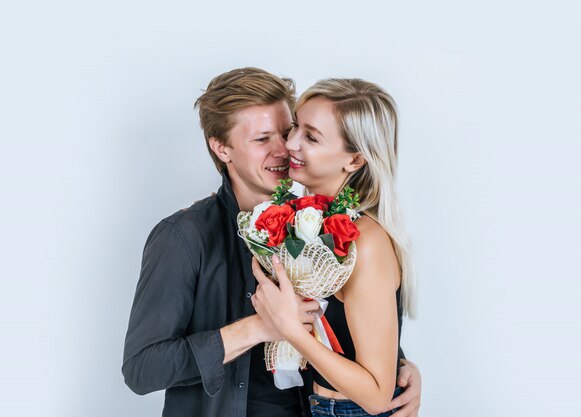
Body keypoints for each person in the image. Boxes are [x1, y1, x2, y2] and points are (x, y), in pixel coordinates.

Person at [122, 67, 421, 417]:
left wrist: (400, 370)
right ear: (222, 149)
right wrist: (258, 328)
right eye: (263, 139)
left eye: (288, 130)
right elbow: (142, 370)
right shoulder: (183, 236)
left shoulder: (317, 222)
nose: (284, 149)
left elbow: (351, 323)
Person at [251, 78, 416, 417]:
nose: (289, 144)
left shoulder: (366, 241)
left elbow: (375, 396)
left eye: (310, 137)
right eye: (295, 126)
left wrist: (290, 328)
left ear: (354, 160)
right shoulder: (312, 217)